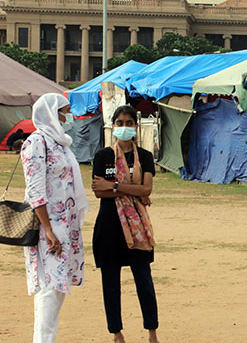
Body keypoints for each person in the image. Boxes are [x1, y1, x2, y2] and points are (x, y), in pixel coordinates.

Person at [20, 94, 89, 343]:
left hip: (64, 225)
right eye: (64, 111)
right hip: (46, 229)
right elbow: (35, 191)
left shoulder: (61, 143)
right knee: (48, 291)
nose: (67, 117)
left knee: (57, 288)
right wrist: (48, 229)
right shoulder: (36, 143)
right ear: (51, 113)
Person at [91, 105, 159, 343]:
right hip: (109, 229)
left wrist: (116, 187)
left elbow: (147, 189)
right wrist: (134, 191)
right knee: (111, 284)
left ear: (136, 127)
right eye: (119, 123)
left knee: (144, 281)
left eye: (129, 123)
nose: (124, 127)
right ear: (113, 126)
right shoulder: (103, 157)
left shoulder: (146, 157)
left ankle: (152, 332)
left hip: (137, 230)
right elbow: (99, 192)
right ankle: (117, 333)